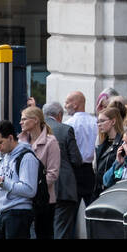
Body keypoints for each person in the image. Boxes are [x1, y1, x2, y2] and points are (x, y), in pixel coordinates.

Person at [0, 120, 40, 239]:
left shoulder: (27, 157)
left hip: (19, 212)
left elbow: (30, 190)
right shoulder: (4, 159)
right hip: (3, 211)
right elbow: (2, 190)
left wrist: (1, 182)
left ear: (11, 138)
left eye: (0, 142)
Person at [17, 106, 59, 240]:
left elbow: (53, 173)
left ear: (35, 120)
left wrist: (33, 187)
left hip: (43, 200)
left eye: (24, 119)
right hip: (22, 199)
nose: (20, 122)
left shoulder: (51, 142)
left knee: (43, 234)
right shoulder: (19, 142)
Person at [43, 101, 82, 239]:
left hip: (40, 188)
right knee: (62, 230)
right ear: (59, 115)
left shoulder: (33, 131)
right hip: (63, 187)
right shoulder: (65, 129)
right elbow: (77, 160)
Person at [63, 91, 99, 205]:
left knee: (71, 211)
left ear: (75, 104)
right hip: (91, 170)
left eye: (67, 102)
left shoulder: (68, 124)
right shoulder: (95, 122)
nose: (65, 106)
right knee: (92, 208)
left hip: (75, 170)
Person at [94, 104, 126, 196]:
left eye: (102, 121)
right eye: (98, 122)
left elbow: (121, 170)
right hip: (100, 189)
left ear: (113, 121)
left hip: (114, 190)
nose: (99, 125)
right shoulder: (102, 143)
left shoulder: (123, 143)